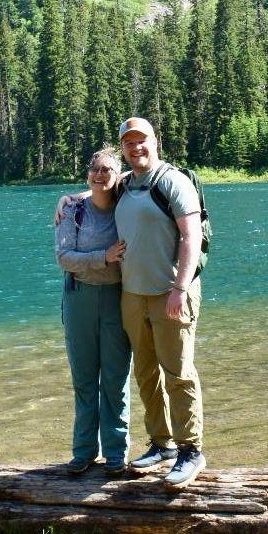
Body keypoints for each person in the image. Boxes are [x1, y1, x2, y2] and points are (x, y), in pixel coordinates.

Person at [114, 117, 206, 490]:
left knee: (179, 372)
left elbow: (191, 235)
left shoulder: (172, 181)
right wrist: (70, 198)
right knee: (146, 372)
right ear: (123, 148)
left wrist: (180, 287)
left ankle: (191, 450)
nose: (136, 148)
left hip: (171, 292)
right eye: (129, 143)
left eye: (142, 141)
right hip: (133, 294)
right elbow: (98, 189)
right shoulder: (125, 184)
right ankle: (161, 444)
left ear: (156, 142)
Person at [54, 146, 131, 475]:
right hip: (79, 299)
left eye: (107, 170)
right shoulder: (73, 210)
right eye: (94, 169)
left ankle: (116, 454)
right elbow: (64, 258)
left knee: (115, 378)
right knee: (84, 380)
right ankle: (84, 452)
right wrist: (104, 255)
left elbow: (139, 174)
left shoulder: (126, 206)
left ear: (117, 176)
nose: (100, 175)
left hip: (116, 298)